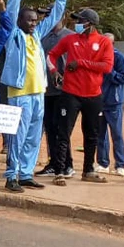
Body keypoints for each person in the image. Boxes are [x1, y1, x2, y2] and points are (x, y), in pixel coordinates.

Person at [0, 0, 68, 193]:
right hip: (20, 93)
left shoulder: (37, 35)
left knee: (34, 135)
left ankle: (26, 173)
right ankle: (12, 176)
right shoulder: (13, 36)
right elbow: (9, 13)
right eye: (29, 20)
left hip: (39, 92)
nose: (33, 23)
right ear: (20, 21)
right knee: (17, 137)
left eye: (35, 20)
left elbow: (56, 15)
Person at [46, 8, 114, 184]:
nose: (76, 24)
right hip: (70, 93)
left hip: (93, 95)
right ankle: (60, 171)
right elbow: (51, 55)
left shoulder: (104, 42)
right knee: (63, 133)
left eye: (80, 21)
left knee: (92, 134)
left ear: (89, 24)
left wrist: (82, 63)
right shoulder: (70, 39)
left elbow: (107, 67)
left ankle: (88, 170)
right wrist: (53, 71)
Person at [37, 11, 76, 179]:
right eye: (46, 16)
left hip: (64, 91)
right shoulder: (43, 36)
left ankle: (67, 164)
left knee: (62, 129)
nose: (49, 18)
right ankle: (53, 163)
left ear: (62, 17)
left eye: (52, 15)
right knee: (50, 128)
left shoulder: (71, 36)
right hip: (46, 91)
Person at [95, 33, 124, 177]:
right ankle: (103, 163)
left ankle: (120, 165)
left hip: (114, 102)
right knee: (100, 134)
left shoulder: (119, 57)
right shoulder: (96, 57)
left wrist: (110, 72)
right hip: (98, 100)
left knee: (116, 134)